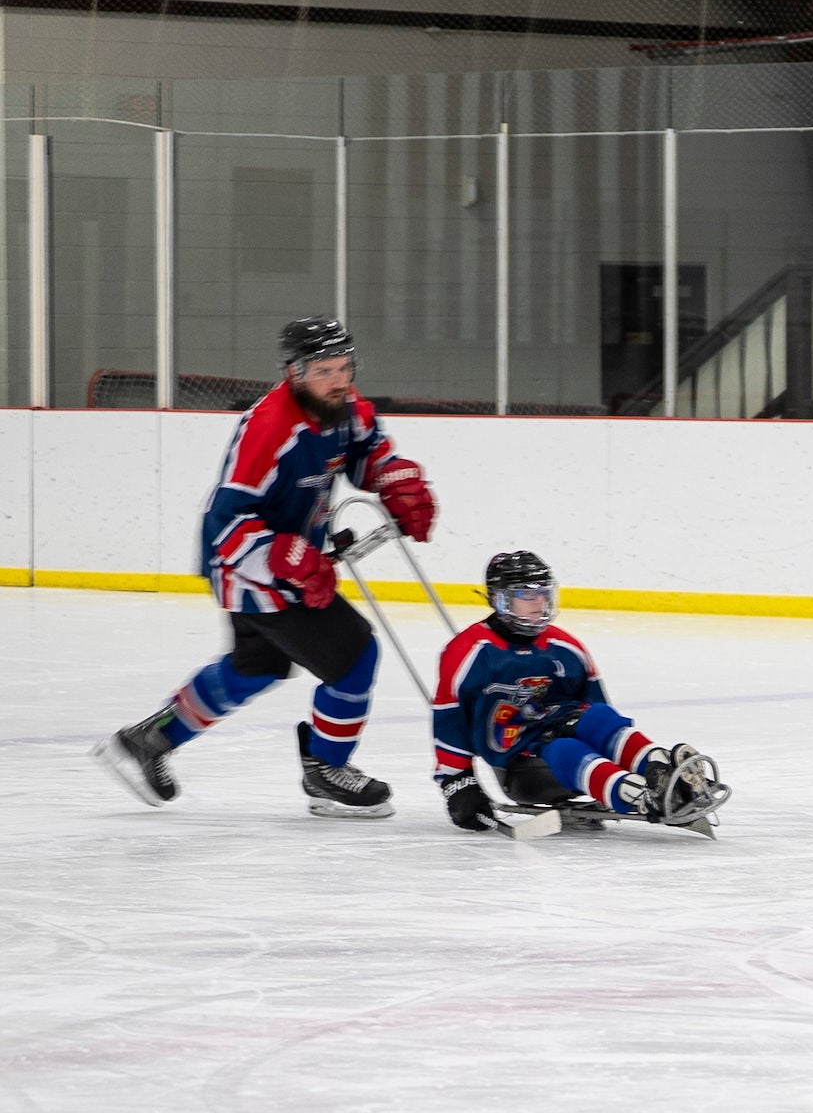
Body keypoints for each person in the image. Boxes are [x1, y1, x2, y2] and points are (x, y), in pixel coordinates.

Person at [94, 317, 435, 818]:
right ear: (294, 372)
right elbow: (224, 523)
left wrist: (396, 480)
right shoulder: (270, 429)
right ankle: (326, 768)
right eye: (324, 370)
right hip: (249, 569)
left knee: (257, 667)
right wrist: (286, 558)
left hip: (290, 561)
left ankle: (149, 740)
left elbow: (365, 453)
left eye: (345, 367)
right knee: (354, 656)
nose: (338, 380)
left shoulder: (346, 408)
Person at [430, 551, 728, 833]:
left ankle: (664, 771)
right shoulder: (468, 653)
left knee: (598, 717)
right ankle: (642, 797)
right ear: (501, 599)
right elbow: (450, 722)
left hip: (561, 735)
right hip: (521, 768)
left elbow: (600, 716)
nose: (539, 602)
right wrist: (457, 782)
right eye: (527, 594)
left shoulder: (565, 647)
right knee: (567, 749)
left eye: (544, 593)